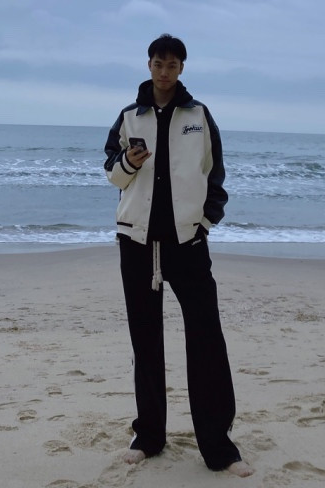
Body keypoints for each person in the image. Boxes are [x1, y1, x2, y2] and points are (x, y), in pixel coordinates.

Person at [104, 34, 253, 477]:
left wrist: (205, 223)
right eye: (158, 63)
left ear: (181, 68)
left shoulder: (198, 116)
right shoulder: (129, 116)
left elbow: (215, 173)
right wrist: (129, 162)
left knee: (206, 340)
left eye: (172, 65)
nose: (164, 71)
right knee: (145, 341)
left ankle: (219, 447)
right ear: (148, 65)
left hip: (187, 243)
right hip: (136, 243)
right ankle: (148, 437)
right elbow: (112, 174)